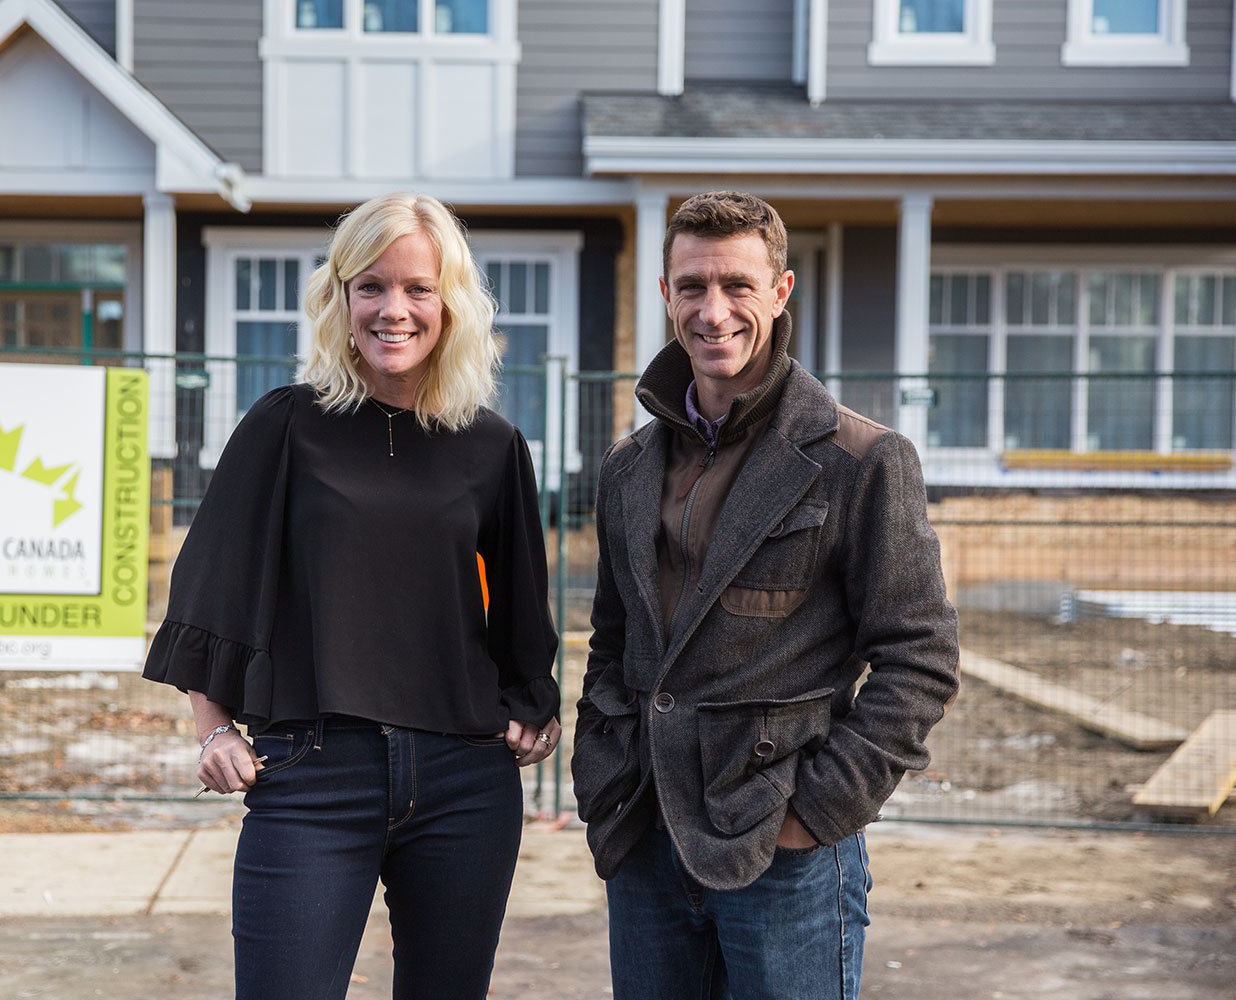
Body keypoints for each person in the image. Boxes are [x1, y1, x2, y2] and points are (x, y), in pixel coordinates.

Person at [143, 192, 561, 1000]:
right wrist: (210, 729)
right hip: (312, 773)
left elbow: (521, 609)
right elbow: (210, 586)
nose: (392, 309)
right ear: (340, 299)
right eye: (369, 286)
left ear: (452, 305)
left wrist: (532, 704)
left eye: (418, 289)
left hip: (464, 781)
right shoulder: (286, 425)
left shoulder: (492, 445)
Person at [571, 191, 959, 1000]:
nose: (714, 312)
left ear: (781, 293)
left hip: (785, 847)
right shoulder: (627, 467)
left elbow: (920, 659)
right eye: (692, 287)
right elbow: (613, 644)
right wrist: (603, 771)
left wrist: (812, 816)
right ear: (666, 295)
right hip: (645, 835)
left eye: (738, 286)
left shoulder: (863, 460)